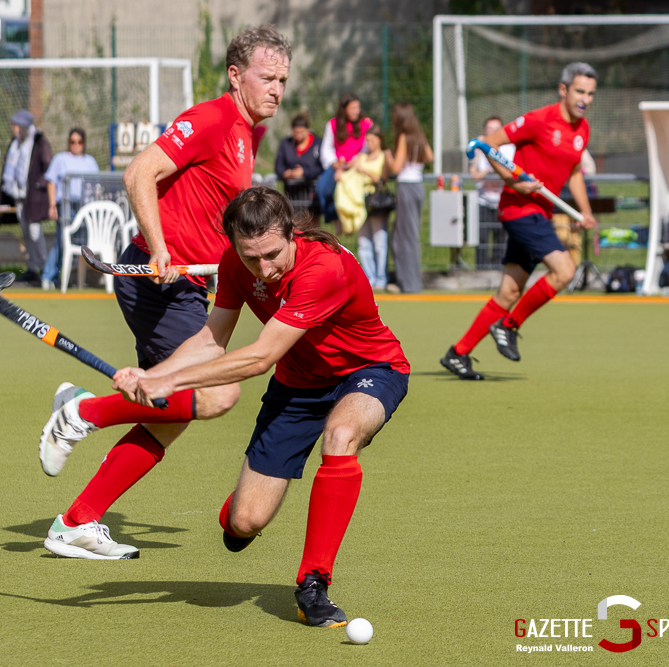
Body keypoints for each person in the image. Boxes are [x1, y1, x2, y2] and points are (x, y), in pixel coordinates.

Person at [32, 25, 291, 560]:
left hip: (189, 288)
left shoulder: (250, 133)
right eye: (267, 78)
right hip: (156, 281)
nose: (277, 90)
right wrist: (158, 248)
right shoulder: (212, 119)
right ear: (236, 75)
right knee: (216, 394)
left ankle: (77, 522)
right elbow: (139, 173)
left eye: (283, 80)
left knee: (167, 416)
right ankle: (84, 410)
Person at [111, 187, 409, 627]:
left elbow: (260, 357)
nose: (265, 269)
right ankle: (236, 515)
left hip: (369, 369)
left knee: (341, 435)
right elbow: (211, 339)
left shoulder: (323, 267)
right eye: (251, 258)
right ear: (234, 246)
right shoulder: (235, 264)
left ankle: (313, 583)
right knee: (246, 521)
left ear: (291, 233)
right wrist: (152, 375)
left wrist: (166, 381)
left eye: (272, 254)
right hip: (298, 383)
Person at [440, 62, 598, 380]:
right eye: (580, 91)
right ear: (563, 90)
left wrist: (584, 211)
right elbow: (489, 144)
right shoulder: (540, 120)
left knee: (509, 292)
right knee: (565, 270)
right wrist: (512, 181)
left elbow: (574, 173)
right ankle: (509, 325)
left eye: (591, 94)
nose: (585, 99)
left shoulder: (582, 130)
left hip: (541, 212)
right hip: (519, 210)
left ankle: (458, 353)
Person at [40, 128, 100, 290]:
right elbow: (51, 182)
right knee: (62, 241)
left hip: (85, 207)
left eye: (79, 142)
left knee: (82, 244)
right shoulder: (60, 159)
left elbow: (96, 186)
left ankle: (76, 280)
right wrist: (52, 205)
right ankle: (48, 276)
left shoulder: (90, 161)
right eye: (73, 142)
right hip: (66, 206)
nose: (76, 145)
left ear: (84, 143)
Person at [0, 109, 52, 285]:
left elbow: (47, 166)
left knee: (35, 232)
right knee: (26, 233)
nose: (13, 128)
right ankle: (32, 268)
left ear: (24, 126)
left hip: (34, 196)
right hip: (19, 195)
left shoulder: (39, 142)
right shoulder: (15, 143)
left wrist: (38, 184)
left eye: (16, 125)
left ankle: (45, 269)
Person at [384, 102, 431, 294]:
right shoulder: (418, 135)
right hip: (418, 186)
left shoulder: (403, 137)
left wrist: (388, 155)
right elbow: (429, 156)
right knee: (406, 235)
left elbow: (396, 167)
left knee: (405, 237)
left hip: (406, 186)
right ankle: (408, 281)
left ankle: (410, 284)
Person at [316, 94, 373, 228]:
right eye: (352, 108)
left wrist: (355, 161)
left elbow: (368, 147)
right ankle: (335, 218)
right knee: (322, 189)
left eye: (357, 107)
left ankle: (355, 221)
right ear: (344, 109)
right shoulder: (332, 124)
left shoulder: (366, 124)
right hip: (338, 165)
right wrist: (335, 164)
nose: (356, 111)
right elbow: (326, 148)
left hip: (358, 165)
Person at [333, 125, 385, 235]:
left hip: (376, 200)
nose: (369, 143)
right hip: (361, 199)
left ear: (379, 139)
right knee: (363, 239)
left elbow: (381, 179)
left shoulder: (384, 156)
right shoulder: (362, 156)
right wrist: (340, 171)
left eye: (372, 140)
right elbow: (349, 169)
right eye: (367, 141)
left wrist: (365, 171)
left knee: (379, 238)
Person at [274, 112, 322, 212]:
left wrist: (304, 172)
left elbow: (321, 167)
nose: (299, 136)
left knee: (311, 219)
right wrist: (285, 173)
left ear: (308, 129)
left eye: (302, 132)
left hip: (311, 193)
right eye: (296, 132)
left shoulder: (318, 144)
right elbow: (278, 165)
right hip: (291, 194)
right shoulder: (285, 144)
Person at [469, 116, 516, 209]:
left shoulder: (509, 148)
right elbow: (473, 171)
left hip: (503, 201)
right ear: (484, 130)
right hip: (483, 201)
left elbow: (507, 167)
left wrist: (486, 171)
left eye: (497, 129)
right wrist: (479, 148)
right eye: (490, 128)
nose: (493, 132)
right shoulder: (479, 148)